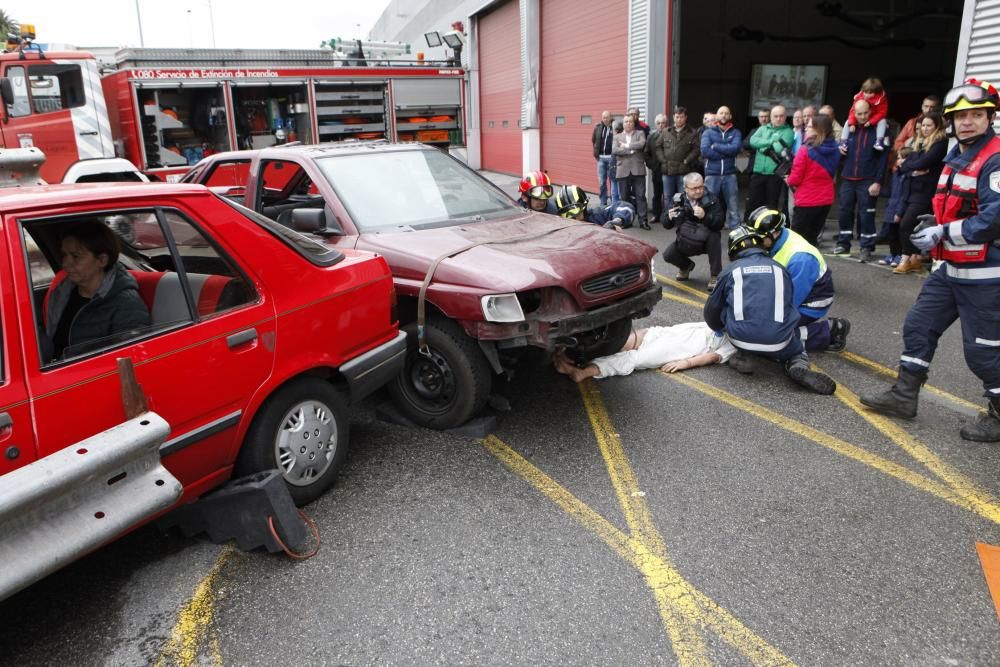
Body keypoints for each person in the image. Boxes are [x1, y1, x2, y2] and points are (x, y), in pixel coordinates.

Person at [861, 78, 1000, 440]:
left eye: (975, 115)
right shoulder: (959, 155)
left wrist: (943, 233)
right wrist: (935, 223)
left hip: (986, 274)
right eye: (961, 116)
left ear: (989, 117)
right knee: (918, 327)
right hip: (950, 269)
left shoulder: (995, 158)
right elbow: (956, 206)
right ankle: (904, 396)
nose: (967, 122)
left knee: (984, 352)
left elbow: (994, 218)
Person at [703, 227, 836, 394]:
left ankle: (744, 356)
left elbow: (711, 312)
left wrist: (720, 328)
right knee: (795, 349)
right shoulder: (781, 268)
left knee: (725, 309)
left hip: (740, 338)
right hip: (779, 340)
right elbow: (789, 306)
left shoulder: (730, 271)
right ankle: (796, 363)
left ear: (733, 250)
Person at [748, 207, 851, 353]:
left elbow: (791, 301)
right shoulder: (776, 239)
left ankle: (830, 331)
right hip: (787, 290)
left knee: (768, 338)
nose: (754, 242)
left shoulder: (800, 258)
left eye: (759, 238)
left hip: (810, 302)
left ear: (775, 233)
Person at [44, 221, 151, 361]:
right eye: (64, 255)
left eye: (76, 256)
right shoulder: (63, 289)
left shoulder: (126, 304)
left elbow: (128, 361)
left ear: (102, 260)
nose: (65, 263)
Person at [552, 321, 737, 382]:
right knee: (625, 341)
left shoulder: (735, 342)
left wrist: (685, 363)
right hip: (668, 332)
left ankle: (583, 372)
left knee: (633, 359)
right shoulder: (723, 318)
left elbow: (713, 356)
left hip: (677, 349)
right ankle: (574, 355)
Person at [893, 112, 948, 275]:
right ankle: (915, 258)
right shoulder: (919, 143)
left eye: (928, 125)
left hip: (925, 192)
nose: (924, 129)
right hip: (911, 189)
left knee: (906, 224)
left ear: (936, 126)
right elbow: (907, 165)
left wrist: (910, 165)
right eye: (923, 125)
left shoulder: (940, 142)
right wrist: (912, 167)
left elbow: (924, 162)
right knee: (912, 225)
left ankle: (905, 259)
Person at [835, 100, 889, 262]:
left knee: (866, 214)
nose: (863, 117)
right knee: (844, 211)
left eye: (866, 113)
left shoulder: (879, 130)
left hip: (868, 179)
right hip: (848, 178)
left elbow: (883, 158)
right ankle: (843, 243)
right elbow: (841, 155)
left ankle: (866, 247)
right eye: (859, 114)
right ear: (854, 113)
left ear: (870, 111)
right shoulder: (849, 129)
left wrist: (878, 181)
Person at [662, 172, 725, 291]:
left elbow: (720, 222)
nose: (698, 191)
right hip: (686, 239)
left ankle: (715, 275)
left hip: (706, 241)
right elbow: (666, 224)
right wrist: (668, 218)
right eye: (694, 188)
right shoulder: (677, 200)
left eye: (701, 187)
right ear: (685, 188)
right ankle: (686, 266)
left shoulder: (711, 199)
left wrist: (705, 216)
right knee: (668, 255)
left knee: (715, 236)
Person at [785, 114, 841, 247]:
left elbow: (795, 179)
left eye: (810, 127)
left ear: (818, 130)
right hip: (825, 200)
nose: (807, 129)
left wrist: (788, 179)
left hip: (806, 200)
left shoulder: (805, 150)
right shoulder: (836, 150)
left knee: (796, 242)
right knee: (812, 240)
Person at [701, 105, 743, 229]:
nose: (724, 115)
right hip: (712, 174)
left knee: (733, 205)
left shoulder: (736, 132)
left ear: (730, 116)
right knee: (709, 203)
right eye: (721, 113)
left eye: (726, 113)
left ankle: (735, 229)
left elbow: (735, 149)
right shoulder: (708, 132)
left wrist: (716, 146)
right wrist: (726, 152)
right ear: (717, 116)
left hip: (730, 174)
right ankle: (708, 227)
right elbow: (704, 151)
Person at [748, 104, 794, 214]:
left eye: (781, 116)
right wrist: (770, 141)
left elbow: (779, 149)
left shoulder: (788, 132)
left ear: (785, 117)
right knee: (752, 203)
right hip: (758, 172)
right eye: (775, 116)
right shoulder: (763, 128)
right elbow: (752, 141)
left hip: (774, 175)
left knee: (771, 205)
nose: (778, 119)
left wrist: (762, 144)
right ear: (771, 117)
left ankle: (770, 229)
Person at [655, 106, 701, 206]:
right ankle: (669, 218)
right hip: (668, 170)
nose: (679, 119)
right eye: (677, 117)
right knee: (668, 197)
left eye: (681, 117)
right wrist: (662, 160)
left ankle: (682, 218)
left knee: (683, 196)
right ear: (673, 117)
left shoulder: (692, 133)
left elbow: (696, 149)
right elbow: (658, 146)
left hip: (683, 170)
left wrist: (687, 160)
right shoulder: (666, 131)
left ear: (686, 118)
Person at [876, 146, 912, 267]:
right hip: (891, 207)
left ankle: (900, 255)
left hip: (899, 209)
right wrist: (879, 191)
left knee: (899, 234)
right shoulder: (896, 174)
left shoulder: (908, 176)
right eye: (899, 158)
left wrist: (899, 212)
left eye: (902, 158)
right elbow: (891, 191)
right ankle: (892, 254)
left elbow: (903, 196)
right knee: (892, 234)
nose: (899, 160)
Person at [614, 115, 649, 229]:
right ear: (623, 124)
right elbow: (615, 150)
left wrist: (626, 146)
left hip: (637, 170)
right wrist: (630, 151)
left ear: (633, 123)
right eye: (626, 121)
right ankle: (626, 220)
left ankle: (643, 221)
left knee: (641, 196)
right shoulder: (617, 136)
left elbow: (641, 144)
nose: (628, 123)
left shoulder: (640, 134)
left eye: (630, 121)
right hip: (623, 170)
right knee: (624, 197)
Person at [552, 184, 634, 229]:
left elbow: (626, 207)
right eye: (570, 217)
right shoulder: (558, 230)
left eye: (577, 214)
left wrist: (617, 220)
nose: (575, 220)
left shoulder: (597, 215)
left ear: (584, 209)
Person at [843, 76, 890, 151]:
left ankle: (879, 141)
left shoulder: (881, 99)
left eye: (870, 93)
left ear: (877, 92)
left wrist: (871, 121)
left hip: (875, 119)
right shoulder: (859, 97)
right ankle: (843, 141)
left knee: (883, 121)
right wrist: (852, 123)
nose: (867, 95)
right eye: (865, 92)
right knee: (847, 122)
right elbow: (852, 111)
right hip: (862, 121)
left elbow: (882, 113)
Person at [646, 114, 667, 223]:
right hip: (656, 170)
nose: (661, 125)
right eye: (658, 123)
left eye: (663, 123)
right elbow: (646, 153)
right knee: (657, 195)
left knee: (669, 195)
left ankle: (669, 217)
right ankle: (656, 215)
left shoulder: (671, 135)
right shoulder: (651, 137)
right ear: (655, 124)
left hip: (669, 170)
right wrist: (651, 164)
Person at [591, 110, 616, 205]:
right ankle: (603, 201)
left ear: (611, 117)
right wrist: (596, 153)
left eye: (607, 117)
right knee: (602, 181)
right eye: (604, 117)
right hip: (601, 158)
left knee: (612, 181)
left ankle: (614, 201)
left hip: (611, 159)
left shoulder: (615, 127)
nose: (605, 119)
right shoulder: (598, 127)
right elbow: (593, 140)